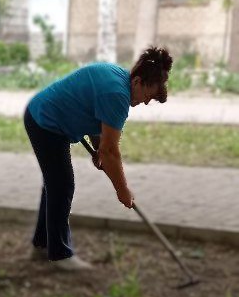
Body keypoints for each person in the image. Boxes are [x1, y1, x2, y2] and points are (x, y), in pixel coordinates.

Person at [24, 46, 173, 270]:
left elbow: (97, 120)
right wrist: (122, 190)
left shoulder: (118, 78)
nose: (144, 102)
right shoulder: (117, 95)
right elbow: (111, 152)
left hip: (47, 116)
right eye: (147, 95)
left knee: (56, 185)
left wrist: (97, 148)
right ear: (137, 82)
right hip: (45, 122)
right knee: (62, 186)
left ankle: (42, 245)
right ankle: (60, 254)